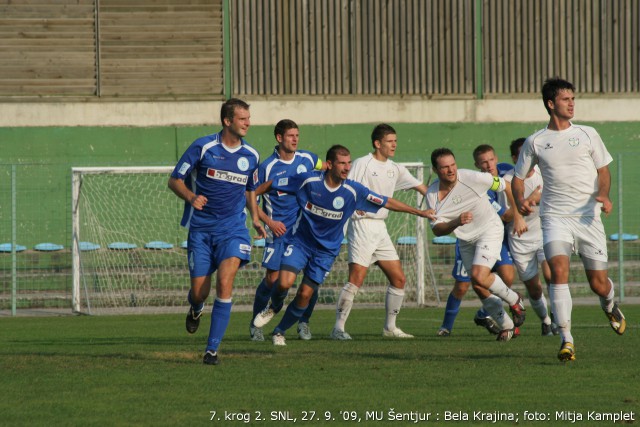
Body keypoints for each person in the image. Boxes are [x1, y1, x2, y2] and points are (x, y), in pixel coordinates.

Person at [252, 144, 434, 346]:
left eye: (349, 163)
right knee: (284, 283)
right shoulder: (309, 180)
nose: (347, 167)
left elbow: (386, 201)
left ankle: (279, 331)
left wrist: (420, 212)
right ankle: (274, 307)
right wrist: (252, 201)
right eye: (342, 163)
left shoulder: (353, 191)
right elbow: (271, 184)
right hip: (301, 242)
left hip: (326, 251)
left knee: (305, 293)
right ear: (329, 165)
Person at [512, 77, 626, 362]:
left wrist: (604, 195)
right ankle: (566, 340)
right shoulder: (536, 141)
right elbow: (517, 179)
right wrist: (520, 202)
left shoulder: (588, 134)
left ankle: (609, 304)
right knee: (558, 271)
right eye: (566, 99)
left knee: (598, 284)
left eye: (573, 98)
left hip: (588, 218)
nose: (572, 103)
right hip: (554, 218)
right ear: (551, 104)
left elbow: (603, 171)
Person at [168, 98, 266, 366]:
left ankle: (211, 350)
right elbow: (174, 180)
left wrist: (256, 218)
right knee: (199, 291)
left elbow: (250, 189)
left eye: (249, 118)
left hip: (233, 230)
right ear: (227, 121)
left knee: (225, 282)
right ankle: (196, 307)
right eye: (243, 119)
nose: (248, 123)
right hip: (201, 230)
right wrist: (191, 196)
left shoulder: (252, 156)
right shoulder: (204, 147)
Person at [330, 124, 427, 340]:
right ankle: (338, 328)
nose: (394, 144)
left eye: (395, 141)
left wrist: (441, 204)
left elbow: (422, 188)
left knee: (399, 278)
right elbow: (347, 187)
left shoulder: (395, 168)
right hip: (362, 224)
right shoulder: (363, 163)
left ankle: (390, 328)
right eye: (390, 141)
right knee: (356, 279)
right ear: (377, 143)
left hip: (380, 228)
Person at [426, 148, 526, 342]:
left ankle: (515, 299)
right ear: (436, 170)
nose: (451, 170)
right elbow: (437, 229)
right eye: (445, 167)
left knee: (479, 275)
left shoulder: (472, 177)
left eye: (452, 165)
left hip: (489, 229)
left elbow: (506, 185)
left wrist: (517, 214)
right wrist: (456, 221)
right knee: (479, 285)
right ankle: (508, 326)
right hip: (465, 239)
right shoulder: (431, 195)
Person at [250, 119, 324, 342]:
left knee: (310, 279)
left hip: (303, 232)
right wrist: (267, 222)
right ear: (279, 138)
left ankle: (304, 323)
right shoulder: (267, 167)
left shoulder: (308, 159)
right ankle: (256, 324)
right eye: (291, 136)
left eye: (297, 135)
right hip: (278, 232)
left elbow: (327, 168)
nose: (295, 139)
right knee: (272, 280)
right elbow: (250, 197)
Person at [503, 138, 558, 336]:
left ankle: (559, 319)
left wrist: (539, 198)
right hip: (520, 240)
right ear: (515, 158)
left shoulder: (545, 174)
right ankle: (545, 320)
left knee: (553, 275)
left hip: (545, 232)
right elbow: (504, 215)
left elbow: (558, 197)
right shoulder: (507, 182)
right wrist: (527, 201)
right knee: (534, 289)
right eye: (524, 156)